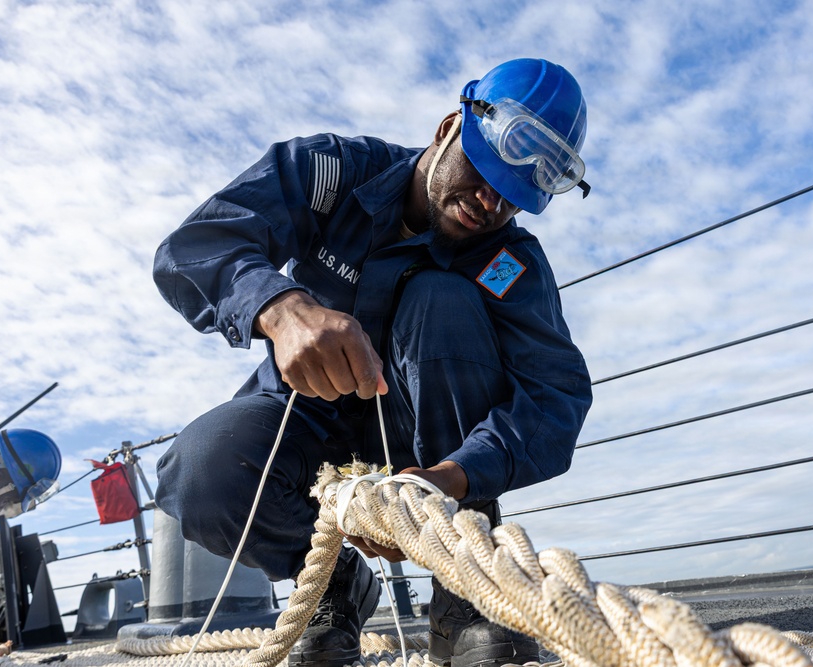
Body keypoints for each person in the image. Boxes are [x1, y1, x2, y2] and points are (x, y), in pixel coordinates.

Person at [152, 58, 593, 667]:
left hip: (433, 458)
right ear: (447, 129)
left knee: (443, 295)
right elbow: (196, 247)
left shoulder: (510, 264)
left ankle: (463, 595)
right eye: (483, 172)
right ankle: (334, 589)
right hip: (306, 416)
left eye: (513, 198)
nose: (488, 203)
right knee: (201, 474)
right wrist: (279, 307)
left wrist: (453, 479)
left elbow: (554, 394)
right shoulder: (330, 174)